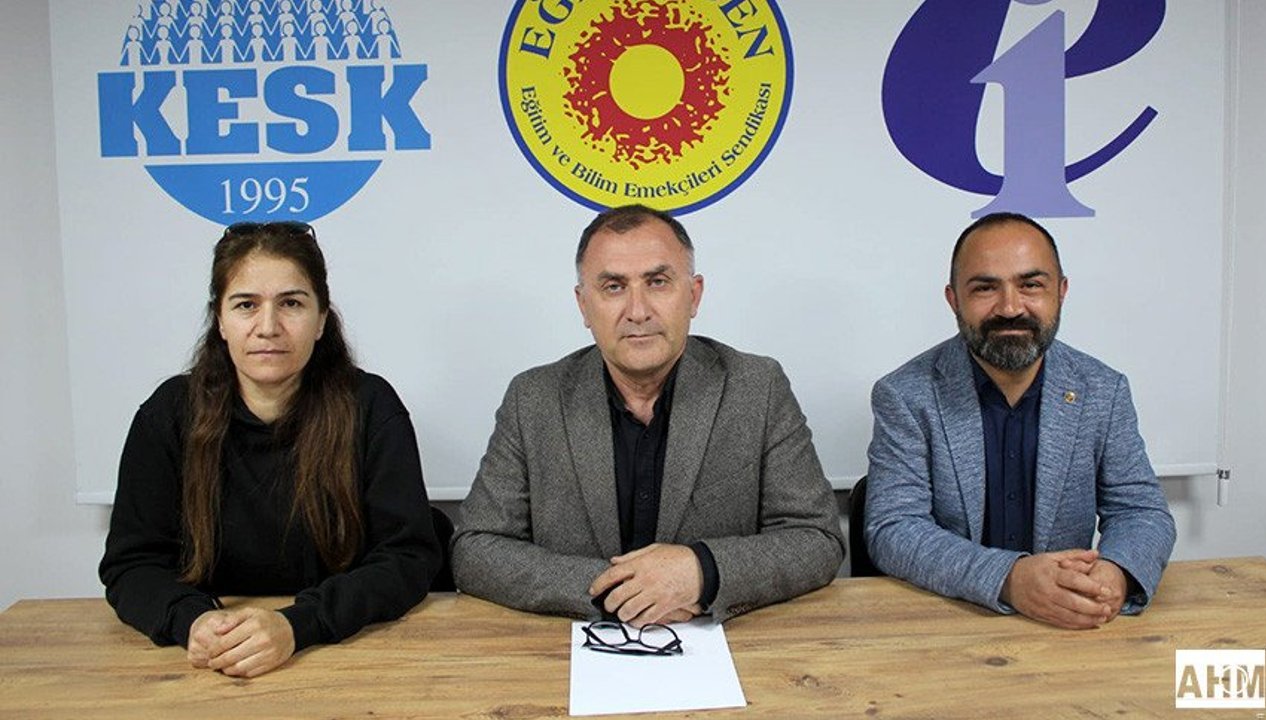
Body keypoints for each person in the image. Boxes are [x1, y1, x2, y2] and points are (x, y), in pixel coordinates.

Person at [453, 204, 843, 627]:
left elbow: (816, 538)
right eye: (614, 287)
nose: (638, 311)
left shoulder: (756, 387)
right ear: (583, 305)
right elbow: (475, 548)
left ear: (693, 295)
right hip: (570, 650)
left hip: (728, 648)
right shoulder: (533, 399)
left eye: (658, 282)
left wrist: (702, 572)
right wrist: (620, 592)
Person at [100, 222, 442, 677]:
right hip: (213, 659)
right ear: (220, 320)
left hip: (343, 655)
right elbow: (131, 564)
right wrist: (193, 621)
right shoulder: (169, 413)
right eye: (246, 305)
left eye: (291, 304)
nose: (268, 328)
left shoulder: (371, 406)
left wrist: (297, 625)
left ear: (322, 320)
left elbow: (408, 558)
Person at [865, 212, 1175, 630]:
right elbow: (893, 528)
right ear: (953, 300)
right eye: (985, 288)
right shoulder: (905, 395)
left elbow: (1141, 511)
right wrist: (1009, 579)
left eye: (1030, 285)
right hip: (952, 624)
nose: (1010, 308)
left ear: (1061, 292)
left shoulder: (1103, 389)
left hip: (1069, 628)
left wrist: (1115, 573)